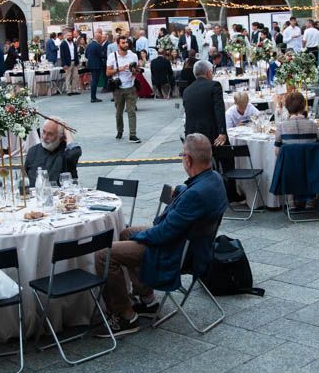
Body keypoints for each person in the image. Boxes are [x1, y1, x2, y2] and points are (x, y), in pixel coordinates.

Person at [93, 134, 227, 337]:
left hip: (178, 252)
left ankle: (125, 316)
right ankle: (148, 301)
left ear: (188, 160)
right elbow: (191, 192)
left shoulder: (195, 195)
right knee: (126, 232)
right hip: (194, 245)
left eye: (182, 155)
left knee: (105, 254)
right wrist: (180, 190)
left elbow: (162, 234)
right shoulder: (214, 178)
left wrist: (140, 236)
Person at [25, 117, 82, 186]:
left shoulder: (66, 152)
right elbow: (25, 176)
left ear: (61, 137)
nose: (45, 137)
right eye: (44, 132)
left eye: (50, 134)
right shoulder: (33, 151)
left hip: (62, 192)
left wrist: (67, 132)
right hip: (36, 192)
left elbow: (74, 153)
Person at [183, 60, 227, 146]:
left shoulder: (187, 90)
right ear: (208, 73)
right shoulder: (214, 85)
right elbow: (219, 110)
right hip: (210, 134)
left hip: (191, 134)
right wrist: (222, 131)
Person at [106, 35, 141, 143]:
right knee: (119, 112)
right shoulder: (112, 56)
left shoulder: (133, 55)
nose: (126, 44)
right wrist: (120, 69)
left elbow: (137, 71)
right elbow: (108, 72)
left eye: (126, 42)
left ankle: (133, 134)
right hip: (118, 88)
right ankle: (120, 131)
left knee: (131, 112)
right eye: (123, 43)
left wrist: (134, 71)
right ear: (118, 45)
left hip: (130, 86)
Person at [85, 30, 106, 102]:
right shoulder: (97, 45)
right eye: (100, 38)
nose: (101, 39)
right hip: (97, 65)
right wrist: (104, 55)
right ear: (98, 38)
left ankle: (93, 97)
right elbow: (101, 55)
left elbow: (86, 55)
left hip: (91, 64)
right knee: (95, 81)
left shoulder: (89, 45)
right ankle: (93, 97)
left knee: (93, 80)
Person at [60, 29, 81, 95]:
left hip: (74, 61)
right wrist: (64, 64)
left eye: (71, 35)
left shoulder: (73, 43)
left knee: (75, 76)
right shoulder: (63, 44)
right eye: (68, 35)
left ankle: (75, 90)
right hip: (67, 63)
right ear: (66, 36)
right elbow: (62, 55)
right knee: (68, 77)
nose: (70, 36)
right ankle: (68, 90)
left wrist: (77, 62)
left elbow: (76, 53)